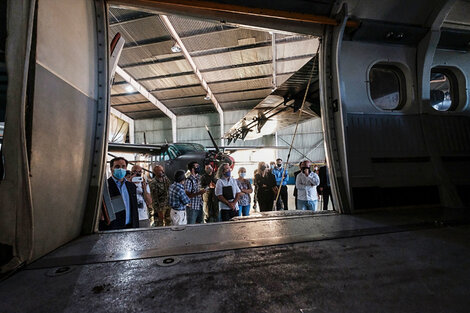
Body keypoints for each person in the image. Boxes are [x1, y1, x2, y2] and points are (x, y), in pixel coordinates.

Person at [100, 157, 139, 230]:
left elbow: (134, 209)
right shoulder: (104, 186)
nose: (121, 169)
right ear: (111, 169)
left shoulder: (131, 186)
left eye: (123, 166)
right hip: (112, 228)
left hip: (131, 227)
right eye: (117, 167)